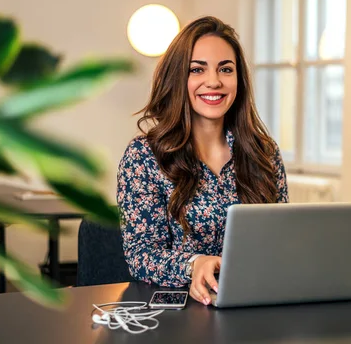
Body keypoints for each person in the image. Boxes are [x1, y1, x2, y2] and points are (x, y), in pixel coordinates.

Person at [117, 16, 289, 306]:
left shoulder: (264, 153)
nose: (214, 81)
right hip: (180, 313)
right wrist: (195, 263)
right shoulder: (144, 156)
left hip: (257, 304)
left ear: (239, 80)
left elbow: (282, 240)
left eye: (226, 69)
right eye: (197, 69)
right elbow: (141, 255)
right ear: (178, 78)